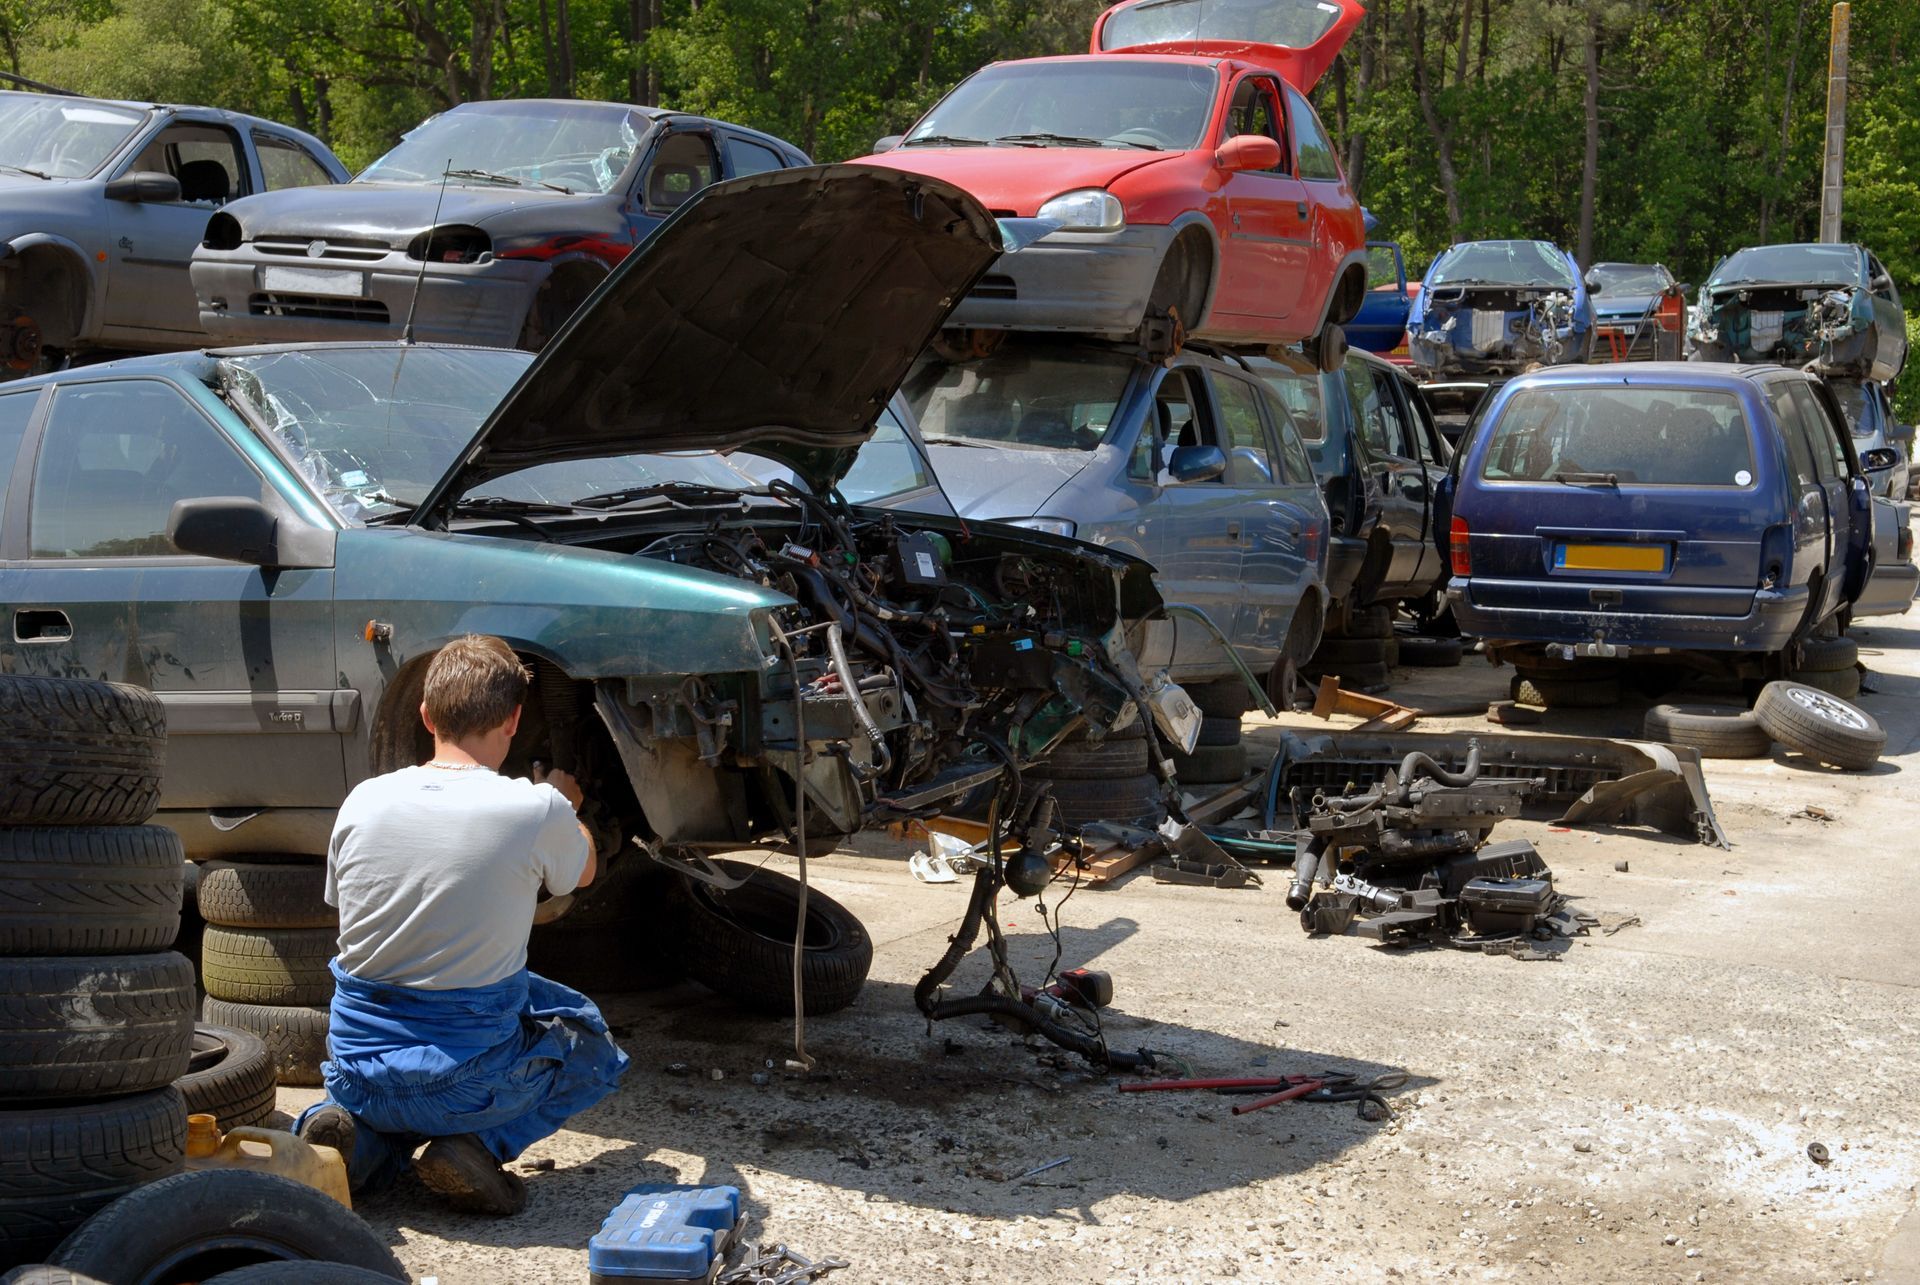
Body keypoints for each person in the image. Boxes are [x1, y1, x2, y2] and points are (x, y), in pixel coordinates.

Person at [294, 635, 630, 1214]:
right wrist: (564, 805)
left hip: (356, 1072)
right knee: (591, 1047)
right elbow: (582, 873)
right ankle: (474, 1147)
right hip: (462, 1084)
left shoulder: (361, 801)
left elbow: (345, 910)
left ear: (426, 716)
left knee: (407, 1080)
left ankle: (357, 1143)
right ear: (514, 719)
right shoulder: (535, 807)